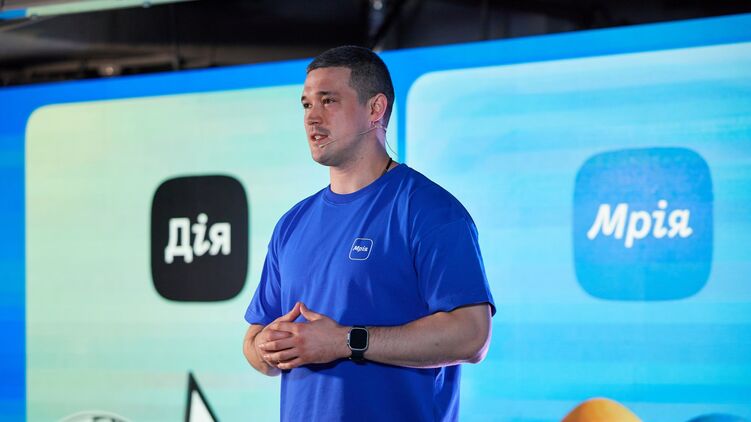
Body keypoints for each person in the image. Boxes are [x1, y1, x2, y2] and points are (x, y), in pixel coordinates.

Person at [242, 45, 495, 422]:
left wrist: (346, 341)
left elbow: (472, 337)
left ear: (375, 109)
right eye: (307, 104)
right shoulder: (292, 223)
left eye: (328, 101)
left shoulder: (430, 211)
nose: (312, 117)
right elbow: (254, 341)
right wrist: (266, 346)